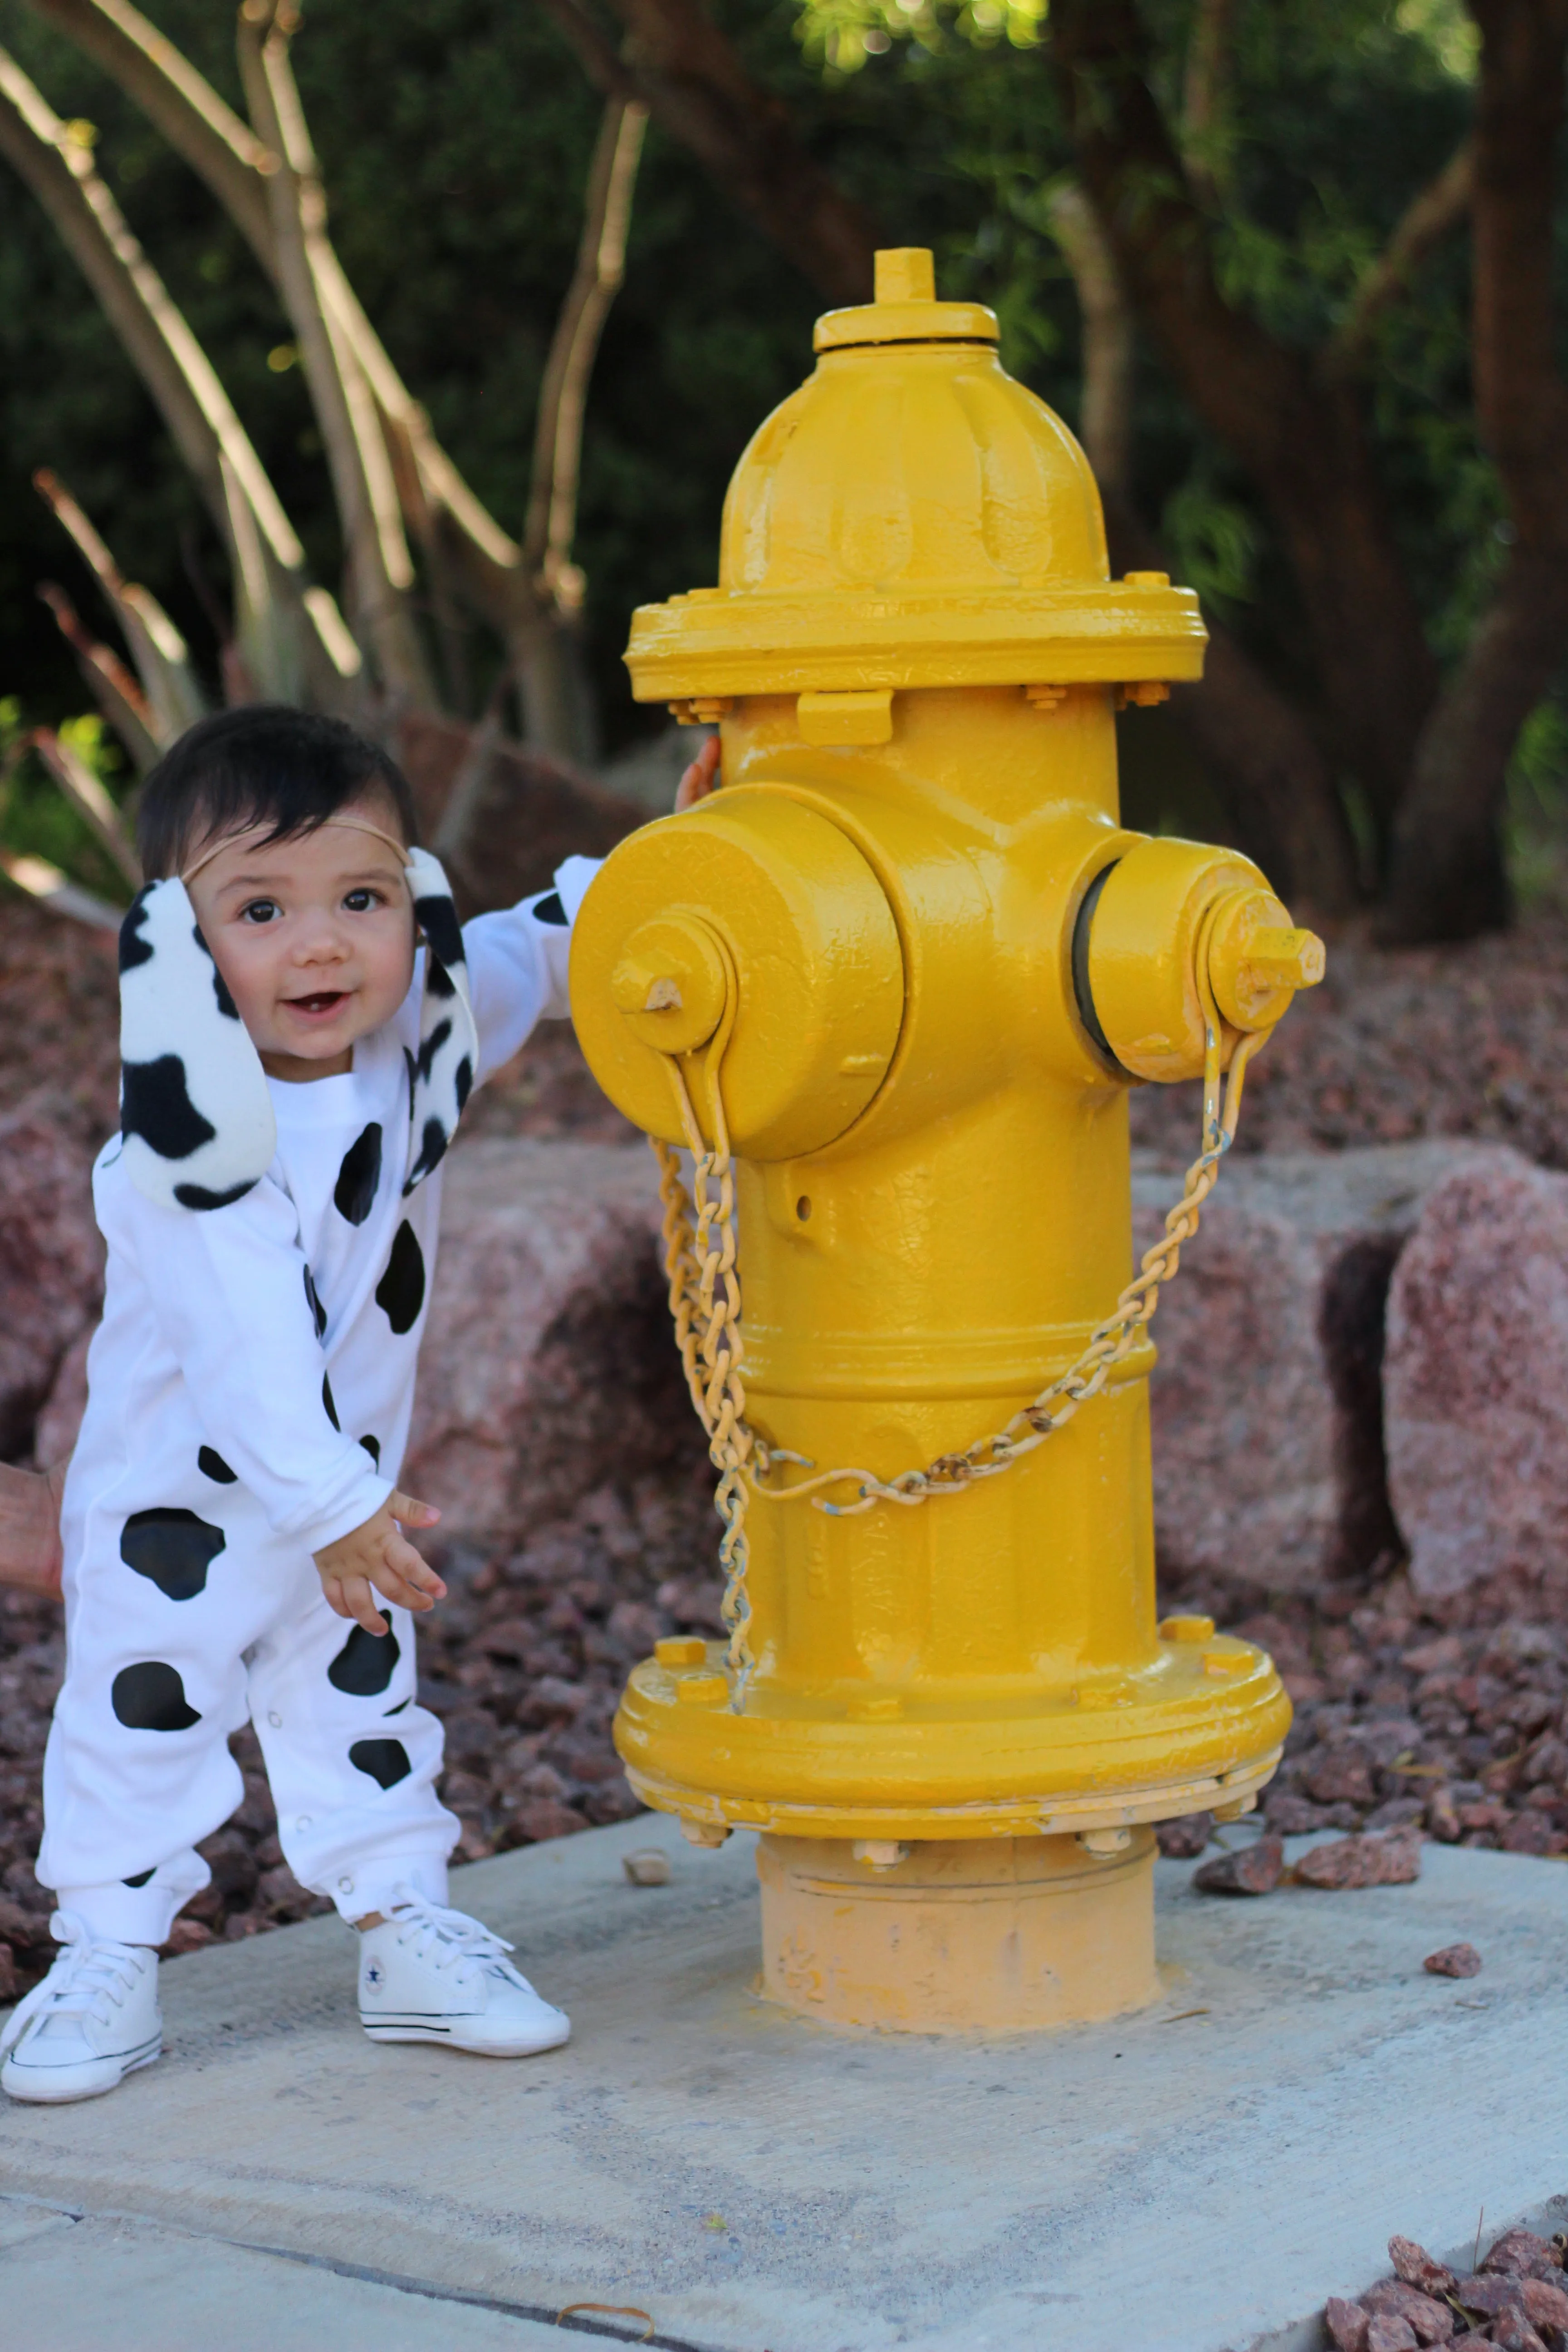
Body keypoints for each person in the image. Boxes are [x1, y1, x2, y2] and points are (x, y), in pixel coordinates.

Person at [0, 704, 653, 2104]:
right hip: (182, 1505)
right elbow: (241, 1347)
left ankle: (400, 1921)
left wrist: (669, 878)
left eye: (361, 898)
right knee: (141, 1720)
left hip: (342, 1500)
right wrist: (336, 1508)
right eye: (261, 908)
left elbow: (535, 944)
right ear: (180, 939)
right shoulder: (182, 1144)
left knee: (359, 1700)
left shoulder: (413, 1042)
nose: (321, 944)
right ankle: (103, 1951)